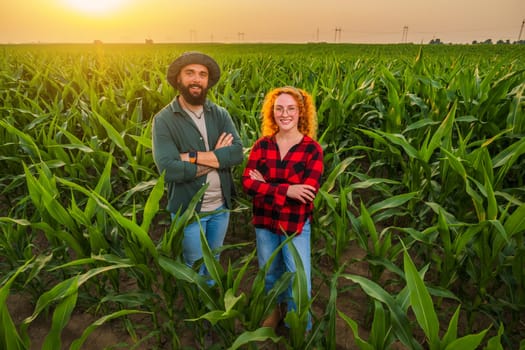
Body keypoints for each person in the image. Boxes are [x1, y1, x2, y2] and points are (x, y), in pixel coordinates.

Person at [152, 51, 243, 278]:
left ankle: (210, 301)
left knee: (214, 262)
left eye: (202, 74)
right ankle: (197, 308)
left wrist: (190, 156)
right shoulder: (164, 120)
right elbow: (169, 169)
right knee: (193, 267)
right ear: (179, 79)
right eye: (190, 73)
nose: (196, 79)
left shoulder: (220, 114)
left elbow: (236, 154)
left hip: (221, 208)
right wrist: (217, 158)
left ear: (207, 81)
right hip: (189, 211)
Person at [241, 86, 324, 332]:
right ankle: (276, 311)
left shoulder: (311, 149)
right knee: (270, 273)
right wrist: (287, 190)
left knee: (300, 279)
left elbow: (307, 193)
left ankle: (300, 326)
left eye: (291, 109)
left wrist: (265, 186)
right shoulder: (261, 146)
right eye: (279, 109)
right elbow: (247, 183)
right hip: (265, 223)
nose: (284, 114)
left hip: (294, 225)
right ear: (272, 113)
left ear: (301, 113)